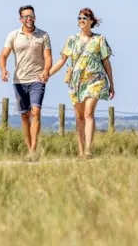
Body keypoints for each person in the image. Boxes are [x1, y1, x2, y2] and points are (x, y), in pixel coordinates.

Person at [48, 8, 114, 159]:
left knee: (89, 113)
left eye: (84, 18)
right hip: (76, 82)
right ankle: (81, 151)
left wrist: (112, 84)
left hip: (95, 80)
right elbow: (62, 60)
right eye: (79, 18)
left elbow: (106, 62)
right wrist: (47, 74)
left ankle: (89, 150)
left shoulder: (100, 39)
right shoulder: (72, 40)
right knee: (79, 117)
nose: (81, 20)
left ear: (91, 21)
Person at [0, 5, 52, 158]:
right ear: (20, 19)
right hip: (19, 80)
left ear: (35, 17)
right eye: (25, 16)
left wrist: (45, 71)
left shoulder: (43, 35)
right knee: (25, 116)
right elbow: (3, 56)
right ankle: (29, 148)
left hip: (38, 79)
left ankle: (33, 150)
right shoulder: (13, 35)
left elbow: (48, 57)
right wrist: (3, 70)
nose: (29, 19)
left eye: (31, 16)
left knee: (36, 111)